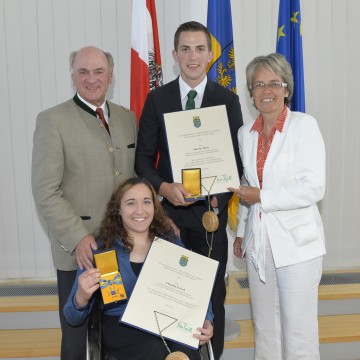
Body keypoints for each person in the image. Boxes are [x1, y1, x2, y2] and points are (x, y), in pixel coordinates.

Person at [134, 21, 243, 360]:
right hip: (170, 221)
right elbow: (142, 161)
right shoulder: (158, 98)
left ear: (210, 55)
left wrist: (219, 195)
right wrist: (164, 187)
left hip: (210, 219)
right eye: (185, 49)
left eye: (199, 49)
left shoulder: (228, 100)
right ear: (174, 54)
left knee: (213, 296)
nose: (192, 57)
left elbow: (237, 162)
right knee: (172, 295)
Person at [31, 46, 138, 360]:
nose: (92, 79)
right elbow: (45, 191)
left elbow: (133, 179)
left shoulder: (127, 117)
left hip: (122, 249)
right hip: (80, 254)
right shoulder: (52, 121)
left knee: (118, 334)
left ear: (111, 75)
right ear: (72, 76)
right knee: (78, 339)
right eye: (83, 72)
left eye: (99, 71)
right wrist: (79, 238)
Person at [228, 53, 326, 359]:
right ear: (250, 92)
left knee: (298, 330)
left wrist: (263, 198)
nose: (266, 90)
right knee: (265, 328)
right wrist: (243, 232)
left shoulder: (303, 126)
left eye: (274, 83)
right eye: (258, 84)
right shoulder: (246, 133)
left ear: (287, 89)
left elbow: (313, 188)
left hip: (297, 245)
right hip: (259, 244)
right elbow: (247, 186)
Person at [63, 177, 213, 360]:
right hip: (121, 323)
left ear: (154, 207)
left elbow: (195, 289)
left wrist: (207, 319)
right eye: (131, 203)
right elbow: (72, 317)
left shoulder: (171, 242)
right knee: (154, 349)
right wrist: (82, 296)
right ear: (117, 209)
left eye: (147, 202)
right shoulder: (100, 249)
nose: (140, 210)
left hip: (169, 319)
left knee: (186, 352)